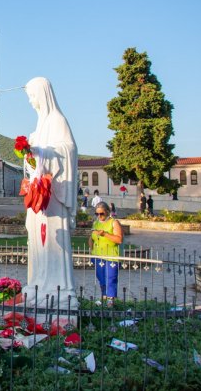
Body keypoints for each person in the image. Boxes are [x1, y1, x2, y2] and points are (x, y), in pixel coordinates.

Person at [20, 77, 79, 309]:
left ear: (43, 94)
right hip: (39, 196)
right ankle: (37, 284)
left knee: (53, 242)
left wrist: (41, 151)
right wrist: (31, 153)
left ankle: (58, 290)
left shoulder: (57, 120)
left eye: (32, 96)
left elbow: (68, 150)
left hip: (53, 196)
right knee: (37, 243)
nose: (31, 101)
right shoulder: (41, 124)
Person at [88, 202, 123, 307]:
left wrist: (105, 234)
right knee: (101, 277)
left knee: (111, 278)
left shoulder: (114, 222)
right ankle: (104, 296)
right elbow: (91, 237)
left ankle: (110, 300)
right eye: (97, 214)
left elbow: (119, 239)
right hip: (98, 255)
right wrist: (92, 249)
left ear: (107, 212)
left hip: (111, 256)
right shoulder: (96, 223)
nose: (99, 216)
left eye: (101, 214)